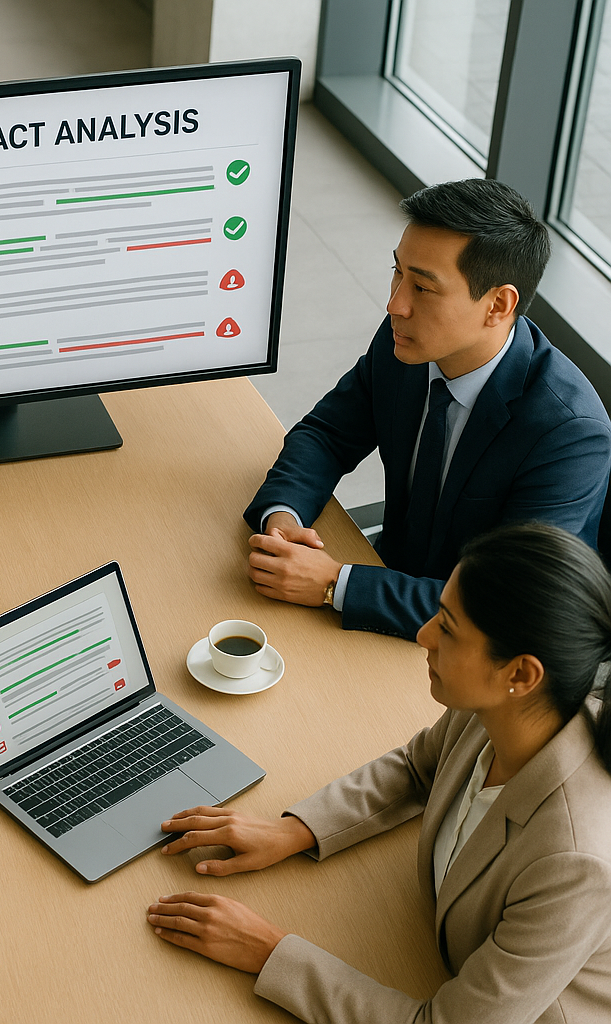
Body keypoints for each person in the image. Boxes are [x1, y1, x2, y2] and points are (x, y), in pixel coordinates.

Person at [149, 521, 611, 1023]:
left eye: (448, 629)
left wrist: (267, 950)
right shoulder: (504, 707)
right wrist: (293, 831)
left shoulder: (575, 860)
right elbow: (417, 769)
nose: (423, 634)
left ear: (520, 674)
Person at [244, 178, 611, 641]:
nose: (395, 303)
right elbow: (327, 434)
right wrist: (284, 521)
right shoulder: (409, 343)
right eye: (398, 273)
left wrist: (334, 583)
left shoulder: (569, 434)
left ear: (499, 304)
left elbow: (507, 604)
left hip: (485, 646)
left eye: (423, 287)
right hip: (390, 581)